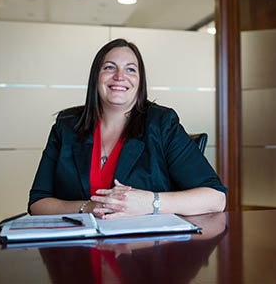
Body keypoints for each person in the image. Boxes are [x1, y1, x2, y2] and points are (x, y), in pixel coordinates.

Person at [28, 38, 227, 218]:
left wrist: (150, 203)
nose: (120, 76)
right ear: (95, 77)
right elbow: (38, 203)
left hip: (146, 252)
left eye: (131, 69)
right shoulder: (67, 125)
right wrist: (90, 207)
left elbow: (216, 198)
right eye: (109, 68)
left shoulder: (162, 123)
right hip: (79, 250)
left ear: (140, 82)